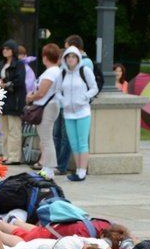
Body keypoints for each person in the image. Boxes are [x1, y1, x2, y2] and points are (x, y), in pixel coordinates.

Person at [60, 45, 98, 182]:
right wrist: (63, 101)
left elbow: (94, 87)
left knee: (82, 142)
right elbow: (58, 91)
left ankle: (82, 171)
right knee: (73, 142)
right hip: (68, 113)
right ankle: (77, 169)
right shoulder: (63, 73)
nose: (71, 59)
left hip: (82, 111)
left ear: (78, 58)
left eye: (73, 57)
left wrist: (83, 98)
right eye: (68, 57)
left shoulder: (84, 70)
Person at [25, 44, 62, 178]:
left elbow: (42, 93)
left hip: (46, 107)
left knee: (46, 139)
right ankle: (47, 166)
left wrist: (31, 96)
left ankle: (49, 168)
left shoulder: (51, 72)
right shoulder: (55, 71)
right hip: (50, 106)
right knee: (46, 138)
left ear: (45, 57)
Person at [0, 40, 26, 165]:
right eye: (4, 49)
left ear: (13, 51)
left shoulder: (19, 64)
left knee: (14, 129)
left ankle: (14, 156)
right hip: (3, 100)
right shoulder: (1, 64)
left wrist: (5, 84)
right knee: (4, 130)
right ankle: (6, 154)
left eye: (8, 49)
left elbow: (19, 81)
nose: (5, 51)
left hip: (15, 100)